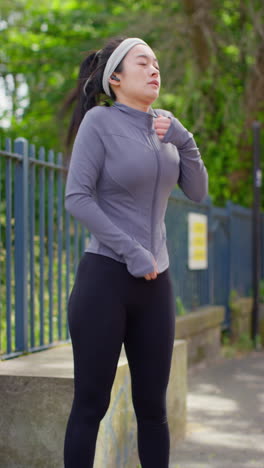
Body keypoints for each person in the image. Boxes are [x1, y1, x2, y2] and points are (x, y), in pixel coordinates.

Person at [63, 36, 208, 468]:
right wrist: (131, 251)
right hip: (105, 280)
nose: (154, 69)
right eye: (143, 62)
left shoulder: (166, 126)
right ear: (116, 78)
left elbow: (198, 193)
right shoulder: (99, 124)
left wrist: (185, 140)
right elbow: (77, 197)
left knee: (153, 410)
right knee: (91, 404)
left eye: (157, 63)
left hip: (156, 286)